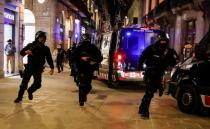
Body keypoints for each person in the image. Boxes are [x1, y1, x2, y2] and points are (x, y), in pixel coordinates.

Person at [138, 32, 177, 119]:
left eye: (165, 41)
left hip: (159, 75)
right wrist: (140, 66)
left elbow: (173, 62)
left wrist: (173, 58)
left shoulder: (168, 51)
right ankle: (145, 112)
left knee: (150, 93)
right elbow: (142, 57)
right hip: (150, 73)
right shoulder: (151, 49)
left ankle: (141, 107)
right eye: (161, 41)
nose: (163, 43)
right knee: (149, 92)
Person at [14, 31, 54, 103]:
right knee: (23, 84)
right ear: (37, 38)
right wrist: (26, 52)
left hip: (38, 68)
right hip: (29, 67)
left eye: (44, 38)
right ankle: (19, 97)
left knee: (38, 83)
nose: (42, 39)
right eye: (41, 38)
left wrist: (52, 68)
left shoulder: (46, 48)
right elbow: (21, 52)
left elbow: (49, 58)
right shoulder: (31, 45)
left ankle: (30, 91)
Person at [72, 33, 103, 106]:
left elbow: (99, 57)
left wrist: (94, 61)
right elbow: (73, 57)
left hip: (89, 69)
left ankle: (83, 95)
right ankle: (81, 100)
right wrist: (81, 58)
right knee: (82, 85)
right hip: (81, 69)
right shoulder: (79, 48)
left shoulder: (93, 47)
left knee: (88, 86)